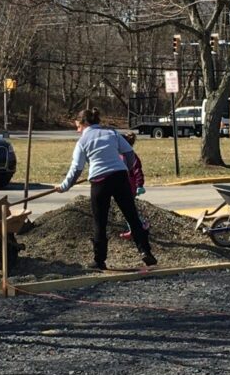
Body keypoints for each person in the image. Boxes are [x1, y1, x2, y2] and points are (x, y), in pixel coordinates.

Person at [58, 106, 157, 272]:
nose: (77, 130)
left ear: (84, 123)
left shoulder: (82, 141)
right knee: (132, 216)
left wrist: (64, 186)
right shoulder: (111, 133)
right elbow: (130, 154)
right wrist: (124, 167)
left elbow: (76, 169)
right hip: (120, 177)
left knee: (100, 222)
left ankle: (99, 260)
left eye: (78, 127)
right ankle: (145, 251)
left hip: (99, 181)